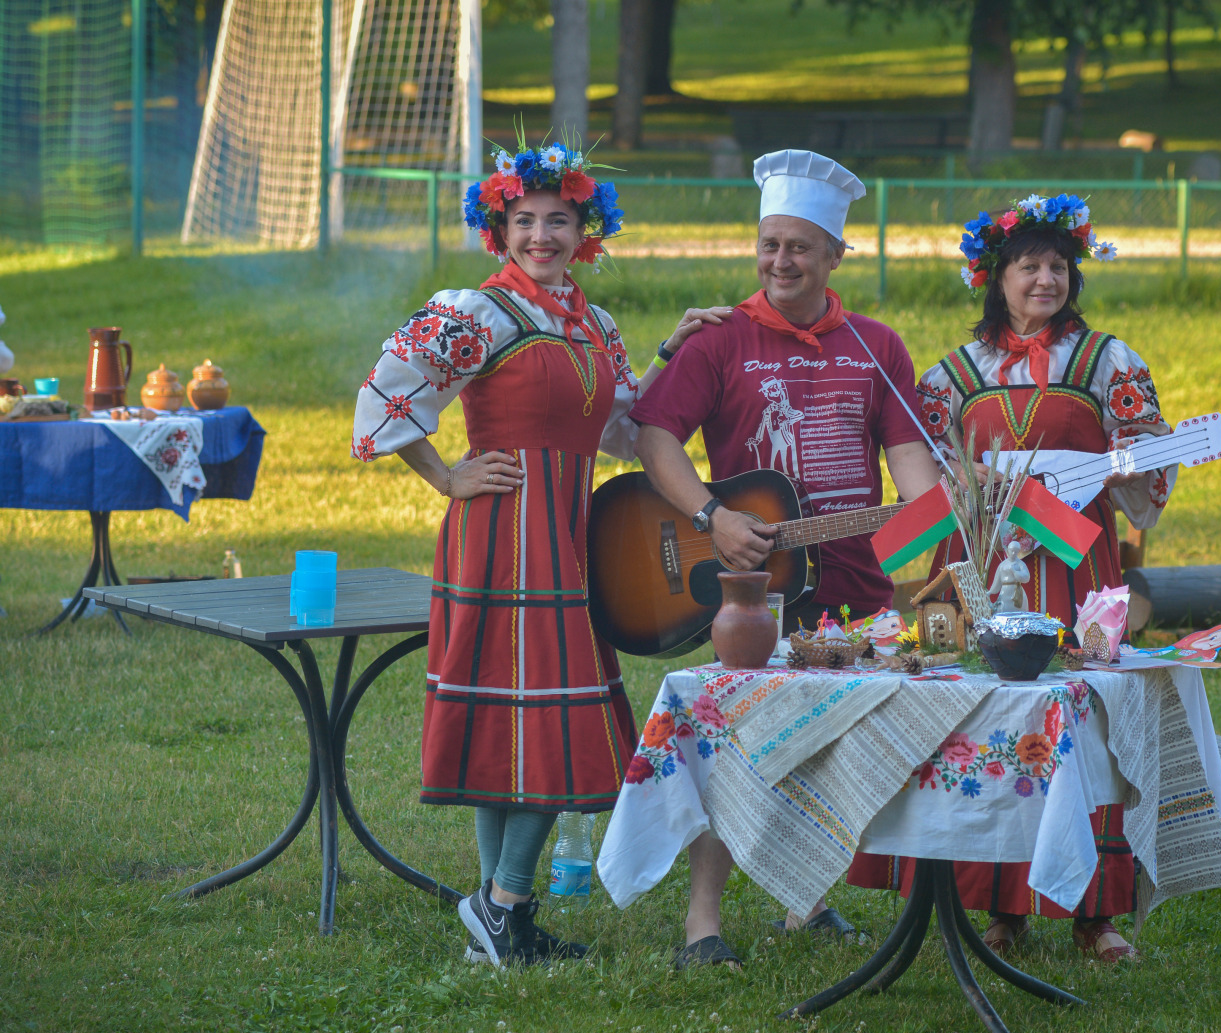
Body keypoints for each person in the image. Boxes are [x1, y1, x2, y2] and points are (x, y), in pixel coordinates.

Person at [628, 149, 943, 969]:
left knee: (842, 743)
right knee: (735, 741)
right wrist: (711, 514)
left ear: (836, 256)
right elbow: (655, 437)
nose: (780, 262)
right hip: (750, 585)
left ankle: (807, 898)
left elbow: (911, 463)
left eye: (799, 247)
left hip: (854, 581)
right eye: (769, 244)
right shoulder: (719, 340)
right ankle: (703, 922)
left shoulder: (877, 346)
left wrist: (934, 514)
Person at [847, 194, 1176, 964]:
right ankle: (998, 904)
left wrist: (1124, 468)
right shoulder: (955, 373)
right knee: (991, 721)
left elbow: (1144, 475)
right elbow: (920, 468)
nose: (1045, 279)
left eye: (1059, 265)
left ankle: (1094, 913)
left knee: (1082, 721)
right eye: (1028, 265)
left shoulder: (1109, 363)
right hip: (980, 568)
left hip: (1074, 568)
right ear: (995, 277)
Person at [351, 137, 656, 969]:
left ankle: (502, 924)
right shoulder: (478, 312)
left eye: (560, 220)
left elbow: (627, 426)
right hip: (503, 532)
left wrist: (680, 355)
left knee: (522, 718)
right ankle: (504, 900)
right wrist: (448, 476)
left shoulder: (595, 323)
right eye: (526, 220)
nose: (543, 237)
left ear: (586, 230)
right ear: (501, 228)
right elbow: (385, 393)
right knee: (553, 720)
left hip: (566, 535)